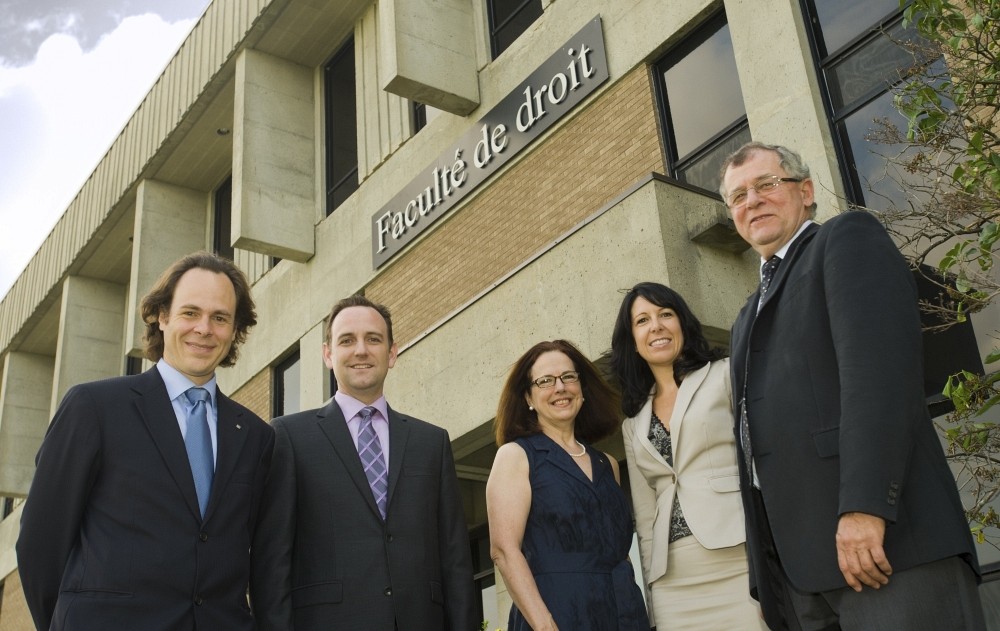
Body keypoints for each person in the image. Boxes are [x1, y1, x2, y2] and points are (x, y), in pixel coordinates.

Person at [721, 141, 984, 630]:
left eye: (766, 185)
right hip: (803, 579)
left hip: (890, 549)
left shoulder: (845, 239)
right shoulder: (743, 318)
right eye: (737, 196)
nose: (751, 201)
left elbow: (880, 381)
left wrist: (864, 508)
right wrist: (768, 572)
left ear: (806, 191)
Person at [16, 251, 275, 631]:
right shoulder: (94, 408)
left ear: (235, 329)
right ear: (162, 316)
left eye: (220, 318)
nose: (204, 328)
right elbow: (40, 543)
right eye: (190, 313)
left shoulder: (255, 436)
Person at [250, 295, 477, 631]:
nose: (361, 350)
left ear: (392, 353)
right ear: (328, 354)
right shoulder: (289, 437)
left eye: (373, 339)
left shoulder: (431, 442)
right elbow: (272, 561)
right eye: (346, 340)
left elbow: (455, 558)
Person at [611, 282, 766, 629]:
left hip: (738, 558)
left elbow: (761, 464)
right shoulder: (633, 422)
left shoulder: (726, 374)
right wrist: (652, 595)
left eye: (666, 314)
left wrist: (771, 563)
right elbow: (645, 513)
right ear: (633, 342)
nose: (656, 326)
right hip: (673, 579)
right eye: (642, 321)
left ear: (683, 323)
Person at [487, 339, 650, 631]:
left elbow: (619, 551)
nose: (560, 388)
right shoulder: (516, 457)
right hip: (557, 614)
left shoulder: (608, 464)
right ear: (528, 397)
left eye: (568, 377)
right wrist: (543, 623)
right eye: (545, 381)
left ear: (582, 389)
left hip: (624, 614)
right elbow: (504, 550)